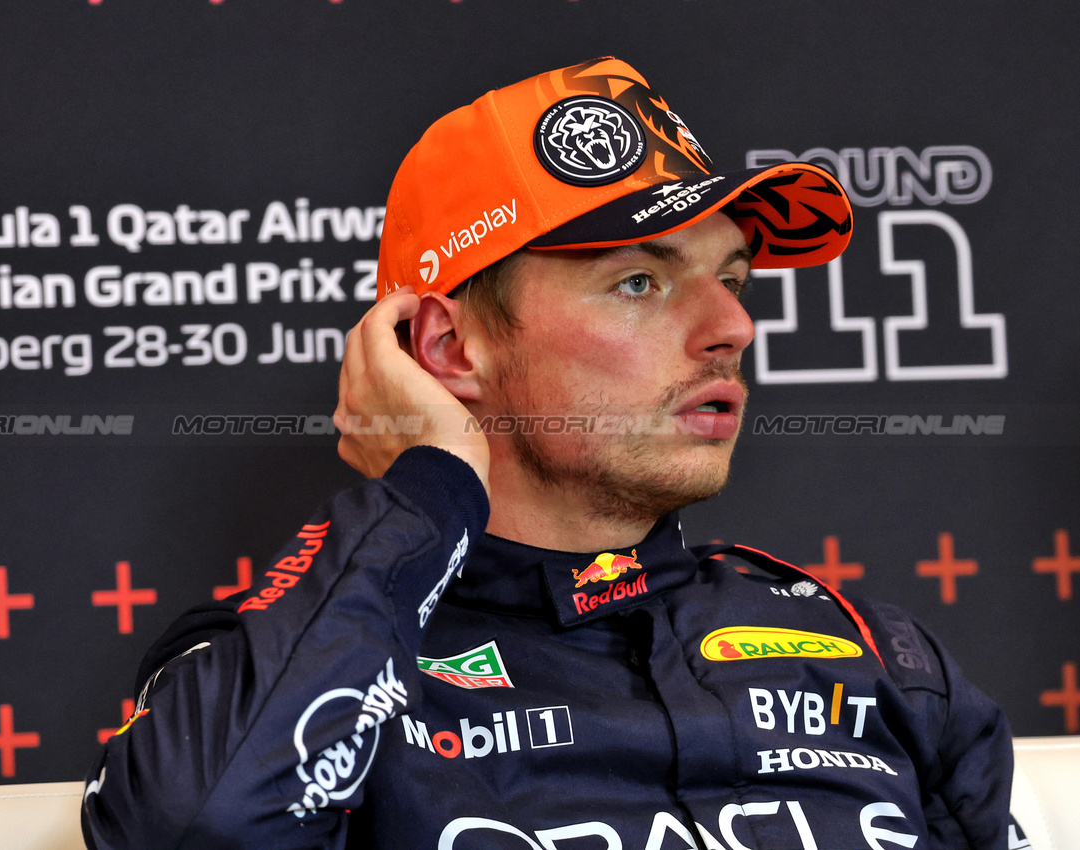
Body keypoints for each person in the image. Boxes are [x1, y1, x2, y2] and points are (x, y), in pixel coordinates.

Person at [82, 57, 1025, 850]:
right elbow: (194, 830)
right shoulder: (304, 656)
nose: (732, 324)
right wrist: (425, 496)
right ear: (451, 350)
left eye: (732, 279)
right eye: (639, 281)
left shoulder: (870, 652)